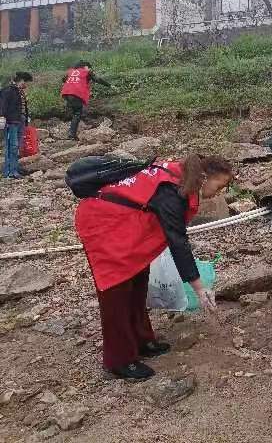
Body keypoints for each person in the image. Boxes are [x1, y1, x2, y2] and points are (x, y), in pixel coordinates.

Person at [74, 154, 234, 380]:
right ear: (205, 177)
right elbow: (177, 241)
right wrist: (199, 288)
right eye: (219, 186)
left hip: (126, 223)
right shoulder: (172, 190)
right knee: (116, 289)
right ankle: (119, 360)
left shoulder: (183, 179)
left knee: (139, 279)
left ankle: (142, 340)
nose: (219, 193)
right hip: (103, 222)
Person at [60, 61, 112, 140]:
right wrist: (109, 85)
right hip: (76, 93)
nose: (90, 69)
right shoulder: (86, 72)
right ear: (85, 66)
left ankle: (73, 128)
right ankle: (71, 135)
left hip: (66, 93)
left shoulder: (70, 72)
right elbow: (98, 79)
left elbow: (63, 79)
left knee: (75, 111)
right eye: (89, 67)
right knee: (77, 113)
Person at [0, 71, 33, 179]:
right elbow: (3, 105)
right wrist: (2, 117)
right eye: (26, 82)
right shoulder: (8, 90)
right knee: (12, 146)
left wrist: (26, 118)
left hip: (19, 121)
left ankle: (14, 169)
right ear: (21, 81)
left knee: (17, 146)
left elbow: (23, 107)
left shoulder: (20, 92)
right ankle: (9, 171)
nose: (26, 85)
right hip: (11, 121)